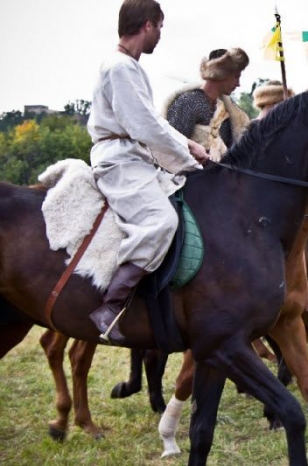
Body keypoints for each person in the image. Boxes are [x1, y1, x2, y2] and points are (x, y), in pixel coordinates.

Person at [87, 0, 209, 343]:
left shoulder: (128, 66)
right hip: (120, 160)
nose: (160, 35)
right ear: (147, 26)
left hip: (135, 157)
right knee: (161, 222)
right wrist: (187, 162)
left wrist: (189, 145)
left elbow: (153, 121)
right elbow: (143, 127)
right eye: (160, 27)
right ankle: (110, 306)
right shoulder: (120, 68)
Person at [164, 48, 251, 161]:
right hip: (187, 176)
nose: (238, 84)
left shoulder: (230, 113)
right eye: (236, 76)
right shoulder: (189, 102)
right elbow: (169, 149)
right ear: (222, 74)